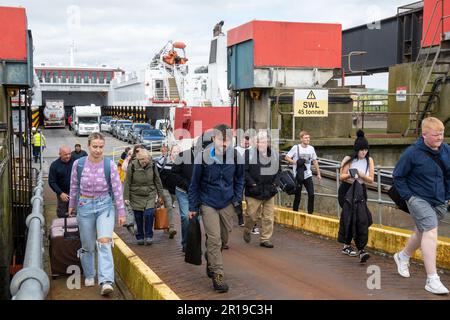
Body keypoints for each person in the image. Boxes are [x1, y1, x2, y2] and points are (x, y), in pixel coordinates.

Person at [392, 117, 450, 295]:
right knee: (431, 230)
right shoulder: (412, 153)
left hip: (440, 199)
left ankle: (403, 256)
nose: (440, 138)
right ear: (424, 134)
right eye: (436, 135)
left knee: (422, 231)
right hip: (418, 198)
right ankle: (432, 279)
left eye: (442, 134)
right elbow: (398, 176)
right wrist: (408, 197)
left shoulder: (447, 150)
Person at [189, 124, 244, 293]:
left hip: (227, 203)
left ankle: (210, 257)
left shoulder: (235, 156)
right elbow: (194, 184)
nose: (225, 143)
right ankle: (218, 276)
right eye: (222, 139)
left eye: (228, 140)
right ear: (214, 139)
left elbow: (240, 178)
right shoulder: (203, 157)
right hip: (208, 203)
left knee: (224, 239)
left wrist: (237, 198)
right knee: (214, 239)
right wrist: (193, 206)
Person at [68, 133, 125, 296]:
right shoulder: (78, 164)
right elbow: (73, 186)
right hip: (84, 206)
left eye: (101, 146)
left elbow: (117, 189)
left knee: (105, 241)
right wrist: (72, 204)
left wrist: (121, 211)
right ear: (88, 146)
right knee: (87, 245)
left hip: (105, 206)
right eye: (95, 146)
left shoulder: (110, 165)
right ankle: (90, 273)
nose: (98, 150)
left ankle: (106, 280)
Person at [337, 130, 374, 263]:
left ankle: (360, 249)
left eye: (365, 150)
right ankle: (348, 246)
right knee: (350, 218)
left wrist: (361, 175)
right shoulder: (348, 159)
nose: (364, 152)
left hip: (360, 191)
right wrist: (351, 175)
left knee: (363, 219)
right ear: (356, 149)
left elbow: (371, 179)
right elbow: (341, 176)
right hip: (347, 190)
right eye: (361, 150)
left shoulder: (369, 160)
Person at [243, 131, 280, 248]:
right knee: (251, 215)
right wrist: (252, 184)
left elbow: (279, 171)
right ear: (256, 143)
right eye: (261, 142)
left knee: (268, 217)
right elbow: (244, 171)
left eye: (265, 142)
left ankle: (265, 239)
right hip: (254, 191)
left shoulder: (274, 154)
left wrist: (275, 183)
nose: (263, 144)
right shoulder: (249, 154)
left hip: (269, 190)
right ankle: (247, 230)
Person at [123, 148, 166, 246]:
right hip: (135, 195)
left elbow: (157, 180)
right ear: (139, 159)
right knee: (138, 217)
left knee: (149, 214)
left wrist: (160, 195)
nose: (145, 163)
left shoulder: (153, 165)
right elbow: (127, 182)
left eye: (146, 161)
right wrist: (126, 197)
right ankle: (140, 236)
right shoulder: (132, 165)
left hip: (150, 194)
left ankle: (149, 235)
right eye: (143, 161)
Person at [285, 131, 321, 214]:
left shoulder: (311, 148)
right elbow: (287, 157)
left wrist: (319, 173)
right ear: (301, 139)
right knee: (298, 195)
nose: (308, 139)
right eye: (306, 138)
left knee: (311, 194)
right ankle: (295, 212)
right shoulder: (296, 147)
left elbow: (315, 161)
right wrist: (295, 162)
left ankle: (310, 213)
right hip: (298, 175)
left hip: (308, 174)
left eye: (309, 137)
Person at [154, 144, 179, 239]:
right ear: (170, 152)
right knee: (169, 205)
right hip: (164, 188)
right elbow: (156, 175)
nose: (176, 153)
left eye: (178, 152)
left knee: (169, 206)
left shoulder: (181, 162)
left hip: (174, 189)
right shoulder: (163, 161)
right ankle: (171, 228)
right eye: (174, 151)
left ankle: (167, 225)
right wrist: (157, 190)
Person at [48, 146, 75, 218]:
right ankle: (63, 227)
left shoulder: (75, 162)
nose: (68, 156)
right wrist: (60, 193)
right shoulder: (55, 165)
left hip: (75, 192)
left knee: (75, 212)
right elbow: (52, 182)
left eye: (69, 154)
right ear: (60, 154)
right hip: (63, 193)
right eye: (65, 154)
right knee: (62, 213)